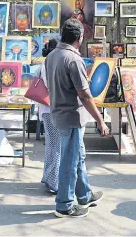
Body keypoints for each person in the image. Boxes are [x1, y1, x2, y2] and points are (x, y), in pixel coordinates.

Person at [46, 19, 109, 218]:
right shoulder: (73, 59)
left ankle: (85, 195)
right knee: (70, 161)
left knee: (77, 157)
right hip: (72, 116)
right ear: (79, 38)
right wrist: (100, 120)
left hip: (61, 113)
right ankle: (64, 204)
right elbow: (85, 94)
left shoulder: (52, 56)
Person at [39, 38, 59, 194]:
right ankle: (53, 181)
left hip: (46, 109)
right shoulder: (51, 63)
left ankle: (48, 177)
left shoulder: (46, 62)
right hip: (52, 108)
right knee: (56, 145)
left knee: (51, 145)